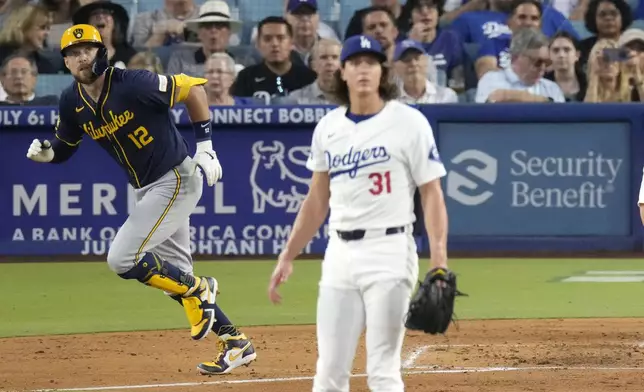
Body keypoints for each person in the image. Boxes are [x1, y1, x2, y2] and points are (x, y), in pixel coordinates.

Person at [25, 24, 257, 376]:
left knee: (121, 258)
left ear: (101, 52)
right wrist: (49, 155)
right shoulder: (71, 100)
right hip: (146, 187)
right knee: (173, 278)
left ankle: (200, 289)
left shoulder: (132, 82)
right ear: (66, 63)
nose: (81, 56)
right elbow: (64, 146)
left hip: (176, 178)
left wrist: (206, 148)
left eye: (88, 48)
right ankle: (235, 341)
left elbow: (193, 89)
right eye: (73, 52)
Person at [267, 34, 451, 392]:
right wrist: (288, 255)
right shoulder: (329, 128)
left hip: (391, 251)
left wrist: (438, 261)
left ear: (382, 72)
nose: (363, 69)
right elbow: (317, 200)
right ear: (343, 72)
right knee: (329, 371)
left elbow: (432, 194)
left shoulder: (410, 122)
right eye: (355, 62)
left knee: (382, 368)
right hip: (340, 254)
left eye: (371, 62)